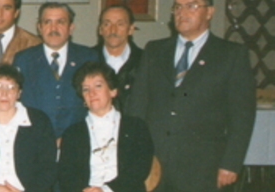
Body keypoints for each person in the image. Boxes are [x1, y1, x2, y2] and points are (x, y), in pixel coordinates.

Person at [126, 0, 256, 190]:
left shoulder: (231, 55)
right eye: (178, 7)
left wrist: (231, 163)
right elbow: (138, 105)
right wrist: (133, 153)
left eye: (192, 6)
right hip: (154, 163)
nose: (182, 12)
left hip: (203, 168)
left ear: (209, 12)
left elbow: (242, 117)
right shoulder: (154, 50)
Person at [57, 62, 153, 192]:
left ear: (113, 91)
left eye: (98, 86)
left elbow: (139, 168)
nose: (92, 93)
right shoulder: (73, 132)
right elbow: (66, 175)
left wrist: (106, 189)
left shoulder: (135, 126)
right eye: (86, 89)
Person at [12, 2, 97, 137]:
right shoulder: (23, 60)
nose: (54, 28)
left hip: (79, 140)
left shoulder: (88, 58)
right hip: (34, 140)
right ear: (39, 27)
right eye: (47, 22)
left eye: (60, 22)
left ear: (71, 28)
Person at [92, 5, 142, 109]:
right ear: (100, 29)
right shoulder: (88, 59)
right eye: (107, 24)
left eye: (120, 24)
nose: (113, 30)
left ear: (131, 29)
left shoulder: (145, 60)